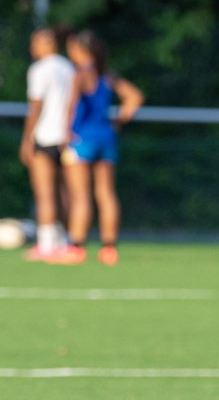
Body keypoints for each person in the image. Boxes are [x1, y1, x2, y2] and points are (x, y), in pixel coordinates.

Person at [52, 30, 143, 266]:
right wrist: (119, 121)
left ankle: (76, 247)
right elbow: (134, 97)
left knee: (80, 195)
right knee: (106, 193)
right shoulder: (107, 75)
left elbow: (71, 107)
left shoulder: (80, 74)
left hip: (81, 139)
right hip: (106, 137)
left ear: (80, 51)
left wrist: (65, 133)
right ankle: (109, 248)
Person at [19, 25, 75, 261]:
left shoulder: (39, 69)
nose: (32, 48)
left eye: (36, 43)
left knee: (45, 193)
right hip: (67, 137)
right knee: (65, 192)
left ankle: (45, 244)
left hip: (45, 136)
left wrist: (26, 138)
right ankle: (65, 242)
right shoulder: (69, 67)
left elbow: (36, 106)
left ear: (48, 44)